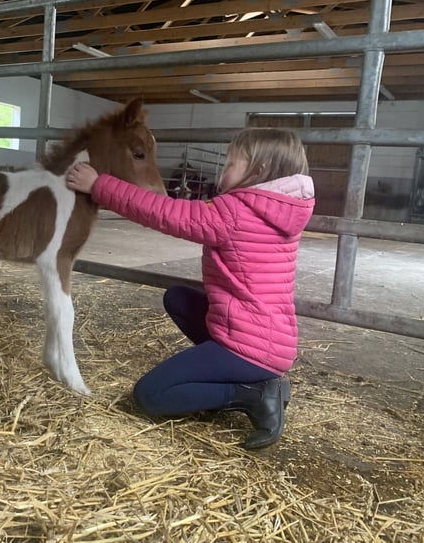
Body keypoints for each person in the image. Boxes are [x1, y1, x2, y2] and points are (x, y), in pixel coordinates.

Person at [66, 128, 315, 449]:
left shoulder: (236, 212)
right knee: (179, 298)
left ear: (260, 171)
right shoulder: (279, 209)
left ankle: (253, 393)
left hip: (250, 347)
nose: (222, 171)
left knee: (151, 396)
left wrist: (99, 186)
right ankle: (252, 376)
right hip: (270, 338)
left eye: (232, 164)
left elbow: (168, 214)